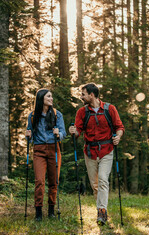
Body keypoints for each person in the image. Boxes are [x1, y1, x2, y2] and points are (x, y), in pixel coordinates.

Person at [69, 83, 124, 225]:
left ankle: (102, 212)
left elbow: (119, 127)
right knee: (95, 185)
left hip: (107, 151)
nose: (81, 97)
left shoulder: (109, 109)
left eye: (83, 94)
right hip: (90, 152)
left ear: (91, 95)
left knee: (103, 180)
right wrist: (74, 132)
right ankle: (101, 210)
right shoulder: (82, 112)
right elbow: (78, 131)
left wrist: (118, 136)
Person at [25, 88, 66, 221]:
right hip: (39, 150)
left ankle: (51, 210)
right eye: (48, 97)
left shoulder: (56, 114)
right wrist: (28, 136)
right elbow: (30, 138)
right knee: (39, 181)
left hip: (54, 149)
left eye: (51, 97)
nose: (51, 99)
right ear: (41, 98)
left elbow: (63, 133)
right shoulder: (32, 116)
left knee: (54, 181)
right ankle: (38, 212)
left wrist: (58, 134)